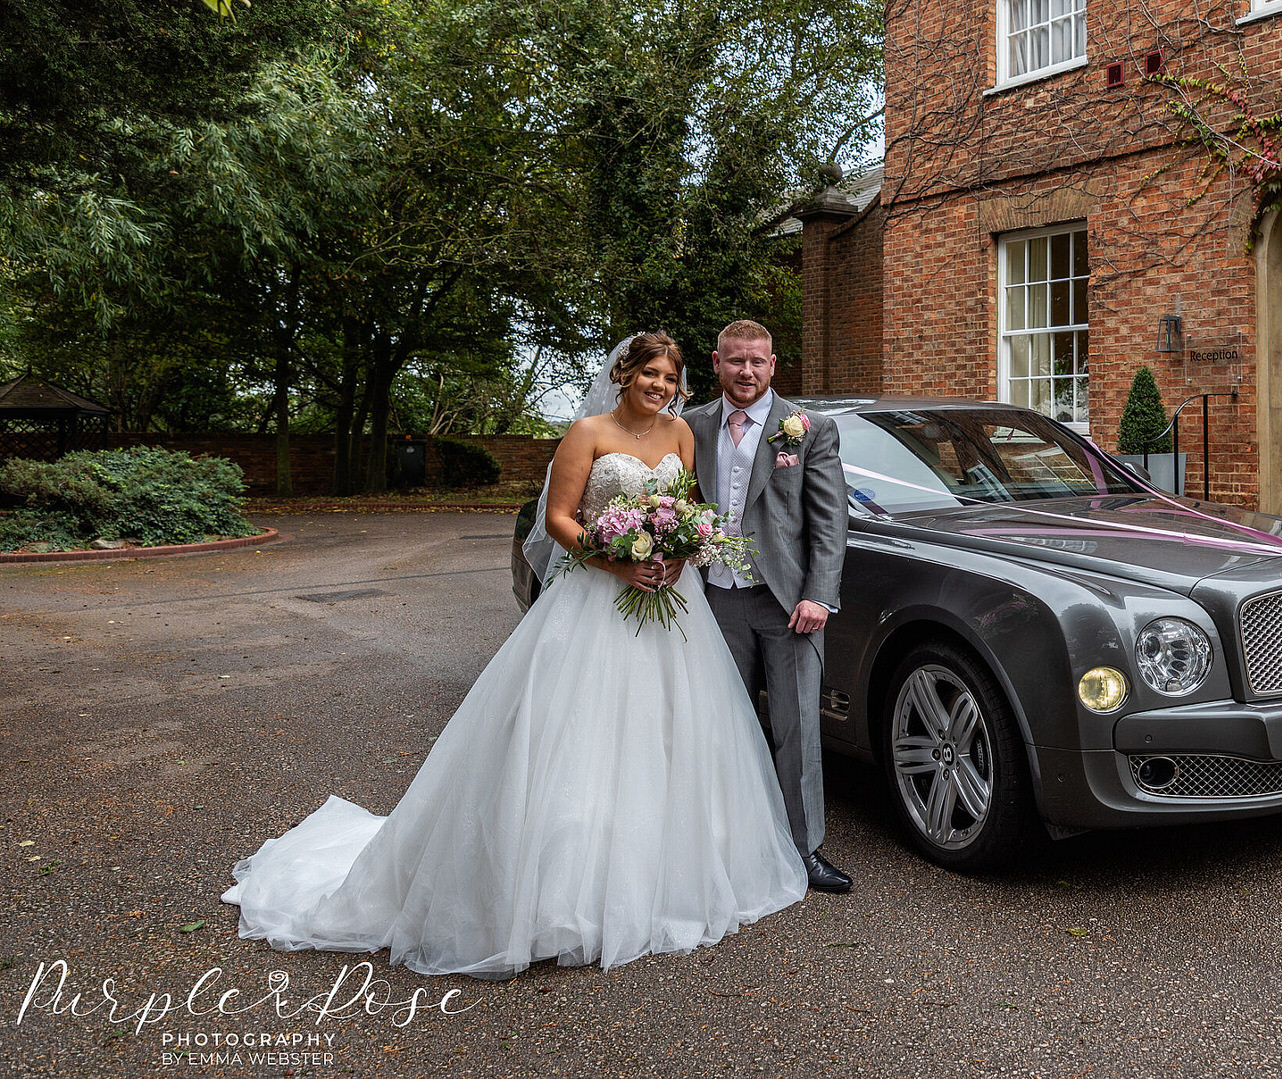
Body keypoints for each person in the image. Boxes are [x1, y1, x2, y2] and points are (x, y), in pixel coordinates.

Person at [222, 333, 807, 979]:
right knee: (576, 738)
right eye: (649, 374)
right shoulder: (587, 431)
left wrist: (678, 550)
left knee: (669, 734)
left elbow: (689, 506)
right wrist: (619, 561)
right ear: (625, 374)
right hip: (597, 598)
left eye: (669, 377)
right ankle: (560, 897)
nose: (660, 386)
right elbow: (560, 517)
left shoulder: (681, 434)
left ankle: (664, 876)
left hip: (671, 599)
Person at [686, 319, 853, 893]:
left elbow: (831, 522)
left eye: (757, 361)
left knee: (797, 729)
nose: (747, 372)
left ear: (773, 365)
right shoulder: (692, 427)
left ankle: (804, 852)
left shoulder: (809, 430)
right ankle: (726, 848)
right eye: (736, 361)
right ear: (717, 362)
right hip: (714, 600)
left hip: (788, 604)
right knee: (719, 726)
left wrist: (819, 595)